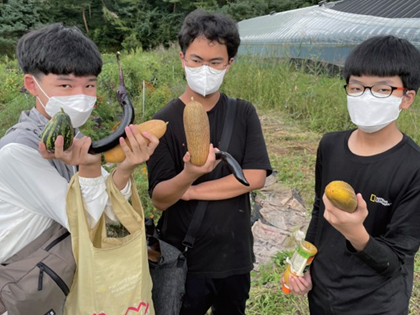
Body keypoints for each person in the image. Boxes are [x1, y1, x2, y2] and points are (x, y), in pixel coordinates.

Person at [0, 23, 158, 312]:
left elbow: (114, 222)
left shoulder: (80, 140)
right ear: (32, 85)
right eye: (65, 85)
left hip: (68, 286)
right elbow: (89, 225)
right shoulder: (17, 153)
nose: (81, 95)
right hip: (31, 293)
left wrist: (124, 169)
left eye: (89, 85)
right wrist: (90, 168)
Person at [283, 35, 420, 315]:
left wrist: (355, 231)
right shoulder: (330, 145)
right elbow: (320, 211)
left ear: (406, 97)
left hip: (376, 303)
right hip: (323, 292)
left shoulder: (413, 166)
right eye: (357, 87)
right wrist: (302, 264)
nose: (366, 97)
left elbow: (395, 260)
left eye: (382, 90)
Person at [146, 9, 272, 315]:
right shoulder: (162, 122)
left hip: (234, 255)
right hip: (185, 257)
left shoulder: (243, 113)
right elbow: (161, 198)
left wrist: (189, 190)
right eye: (196, 60)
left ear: (229, 63)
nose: (205, 69)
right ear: (182, 59)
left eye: (215, 62)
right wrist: (188, 175)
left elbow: (254, 177)